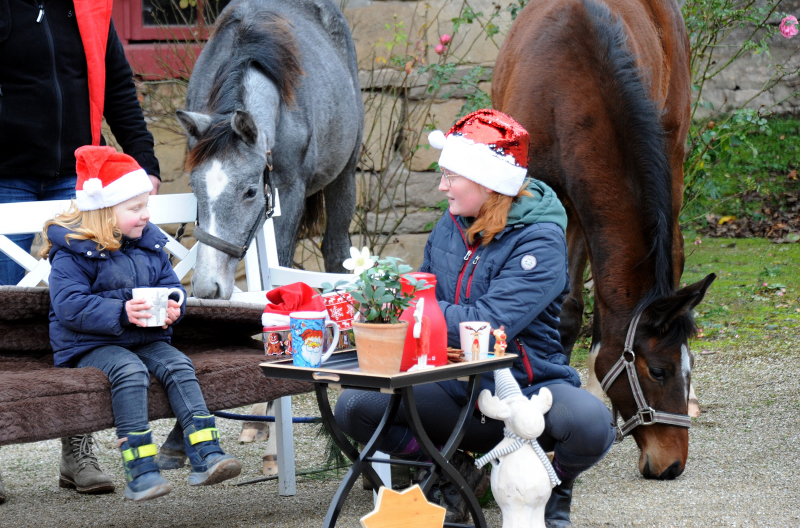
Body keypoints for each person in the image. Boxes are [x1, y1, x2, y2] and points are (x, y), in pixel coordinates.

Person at [335, 109, 615, 527]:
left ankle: (551, 485)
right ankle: (452, 472)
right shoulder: (449, 225)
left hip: (528, 387)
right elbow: (424, 292)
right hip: (453, 384)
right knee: (356, 406)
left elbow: (488, 323)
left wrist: (409, 306)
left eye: (451, 175)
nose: (441, 185)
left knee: (591, 424)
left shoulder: (541, 239)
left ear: (487, 182)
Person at [0, 0, 162, 496]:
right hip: (5, 177)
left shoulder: (89, 7)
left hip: (80, 180)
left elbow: (117, 86)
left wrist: (144, 158)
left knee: (86, 306)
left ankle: (77, 449)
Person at [40, 146, 241, 502]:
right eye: (135, 208)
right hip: (90, 344)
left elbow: (172, 286)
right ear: (103, 211)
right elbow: (70, 306)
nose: (146, 215)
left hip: (145, 337)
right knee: (130, 370)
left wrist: (175, 305)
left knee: (179, 365)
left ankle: (206, 454)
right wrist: (121, 311)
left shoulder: (149, 245)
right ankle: (141, 470)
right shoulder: (72, 252)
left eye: (146, 206)